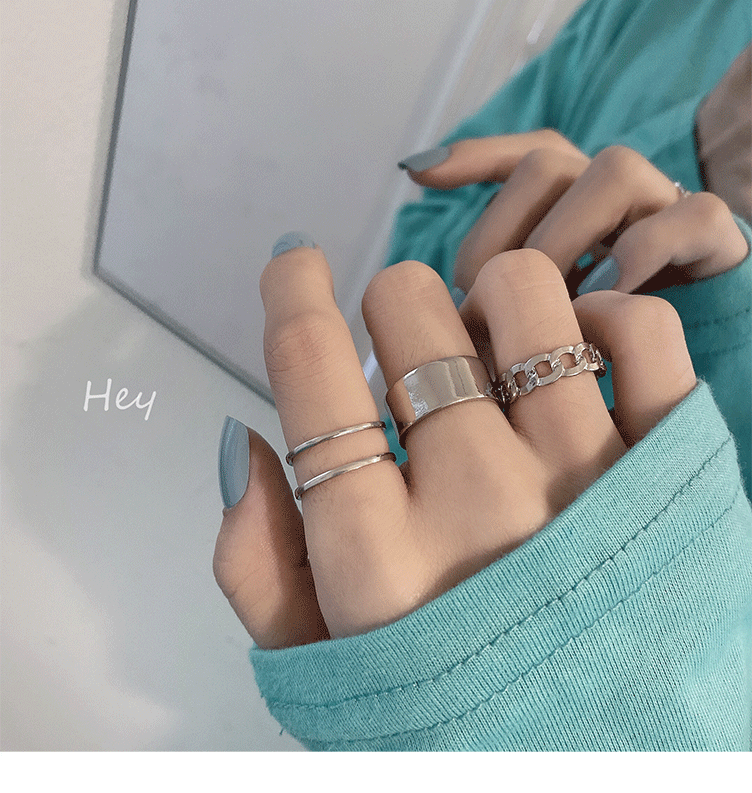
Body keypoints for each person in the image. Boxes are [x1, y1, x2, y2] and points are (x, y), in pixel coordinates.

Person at [214, 0, 751, 750]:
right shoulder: (658, 10)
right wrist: (642, 218)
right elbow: (419, 258)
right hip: (382, 548)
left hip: (402, 615)